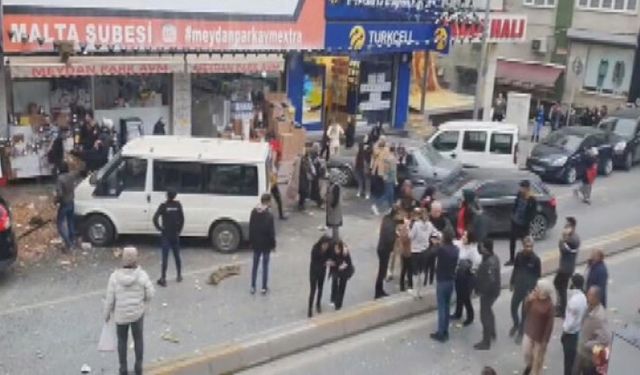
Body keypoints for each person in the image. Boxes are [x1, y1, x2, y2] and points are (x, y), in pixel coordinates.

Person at [104, 247, 154, 375]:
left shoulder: (114, 277)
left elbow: (109, 299)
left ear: (123, 259)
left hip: (121, 316)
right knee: (138, 339)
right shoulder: (142, 275)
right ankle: (138, 366)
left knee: (122, 340)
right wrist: (142, 300)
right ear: (136, 259)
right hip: (137, 314)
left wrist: (107, 314)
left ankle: (123, 368)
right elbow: (150, 293)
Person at [509, 236, 542, 343]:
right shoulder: (519, 256)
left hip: (528, 290)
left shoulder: (536, 260)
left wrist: (532, 291)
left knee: (525, 313)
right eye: (527, 246)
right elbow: (515, 269)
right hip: (519, 287)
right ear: (523, 246)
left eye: (531, 246)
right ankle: (516, 324)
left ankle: (521, 333)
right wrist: (512, 282)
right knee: (513, 307)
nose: (529, 248)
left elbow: (537, 276)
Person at [430, 227, 459, 343]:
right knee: (447, 306)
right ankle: (445, 330)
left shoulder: (441, 249)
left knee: (441, 307)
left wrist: (435, 244)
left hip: (442, 281)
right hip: (451, 280)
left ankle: (441, 333)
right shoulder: (455, 249)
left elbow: (432, 253)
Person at [521, 280, 555, 375]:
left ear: (543, 291)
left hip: (539, 337)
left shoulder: (549, 305)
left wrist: (545, 341)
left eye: (538, 288)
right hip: (529, 331)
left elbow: (549, 326)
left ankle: (535, 371)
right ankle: (529, 365)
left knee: (537, 360)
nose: (535, 289)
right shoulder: (533, 298)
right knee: (526, 353)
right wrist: (528, 299)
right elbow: (525, 310)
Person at [152, 189, 185, 287]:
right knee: (177, 255)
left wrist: (160, 228)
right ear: (175, 196)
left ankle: (163, 278)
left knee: (165, 257)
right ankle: (179, 275)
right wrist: (179, 230)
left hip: (166, 234)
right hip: (175, 234)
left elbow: (155, 218)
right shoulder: (178, 205)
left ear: (167, 195)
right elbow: (182, 219)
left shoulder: (163, 206)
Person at [575, 286, 611, 375]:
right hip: (580, 352)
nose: (587, 295)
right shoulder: (588, 307)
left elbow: (605, 339)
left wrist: (588, 344)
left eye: (590, 294)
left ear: (596, 298)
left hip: (589, 358)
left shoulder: (599, 317)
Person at [474, 239, 501, 350]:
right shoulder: (493, 258)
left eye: (482, 247)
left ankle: (486, 341)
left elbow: (490, 280)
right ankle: (492, 331)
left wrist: (482, 291)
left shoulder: (489, 263)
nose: (480, 249)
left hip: (488, 293)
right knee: (489, 311)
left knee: (484, 315)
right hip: (493, 291)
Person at [451, 230, 482, 326]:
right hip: (459, 275)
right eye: (463, 235)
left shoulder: (473, 249)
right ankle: (458, 313)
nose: (463, 237)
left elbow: (478, 261)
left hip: (468, 277)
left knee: (466, 297)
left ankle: (470, 317)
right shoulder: (460, 244)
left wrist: (471, 270)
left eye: (465, 236)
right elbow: (452, 242)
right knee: (459, 294)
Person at [249, 193, 276, 295]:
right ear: (268, 201)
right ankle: (263, 287)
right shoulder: (269, 215)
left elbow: (251, 228)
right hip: (266, 244)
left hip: (256, 243)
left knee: (255, 265)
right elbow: (271, 232)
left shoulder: (253, 212)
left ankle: (253, 286)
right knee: (265, 265)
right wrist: (273, 245)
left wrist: (251, 241)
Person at [506, 180, 537, 266]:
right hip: (515, 222)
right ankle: (512, 259)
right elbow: (515, 205)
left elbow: (533, 213)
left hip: (524, 225)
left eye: (522, 187)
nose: (520, 189)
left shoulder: (532, 199)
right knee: (512, 241)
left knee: (526, 243)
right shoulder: (519, 195)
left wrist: (527, 220)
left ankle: (527, 260)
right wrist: (513, 215)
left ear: (527, 189)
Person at [554, 217, 581, 317]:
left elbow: (562, 248)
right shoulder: (570, 237)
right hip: (565, 267)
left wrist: (563, 238)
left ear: (573, 227)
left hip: (566, 268)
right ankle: (560, 305)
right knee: (558, 285)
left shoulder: (573, 239)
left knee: (561, 287)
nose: (565, 227)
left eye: (567, 226)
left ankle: (562, 309)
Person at [561, 274, 588, 375]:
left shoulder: (574, 301)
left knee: (568, 363)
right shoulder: (583, 297)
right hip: (578, 332)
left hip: (571, 334)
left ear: (573, 283)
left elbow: (570, 322)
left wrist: (565, 329)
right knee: (574, 362)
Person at [406, 208, 435, 298]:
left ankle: (415, 292)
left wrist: (407, 227)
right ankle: (420, 291)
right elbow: (433, 233)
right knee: (422, 271)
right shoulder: (430, 225)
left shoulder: (416, 225)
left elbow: (410, 236)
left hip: (415, 251)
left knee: (415, 272)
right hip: (425, 250)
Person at [375, 205, 399, 299]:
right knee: (382, 271)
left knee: (382, 271)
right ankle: (378, 292)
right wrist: (396, 236)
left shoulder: (387, 219)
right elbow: (389, 238)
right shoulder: (391, 225)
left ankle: (380, 290)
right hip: (384, 250)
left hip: (381, 248)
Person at [308, 236, 333, 318]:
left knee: (320, 288)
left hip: (322, 272)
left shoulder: (328, 249)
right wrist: (325, 262)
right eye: (324, 245)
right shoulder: (315, 249)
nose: (326, 247)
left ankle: (318, 304)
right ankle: (310, 308)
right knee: (313, 290)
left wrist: (329, 261)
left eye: (327, 245)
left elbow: (330, 256)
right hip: (314, 272)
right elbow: (315, 262)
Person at [371, 139, 397, 216]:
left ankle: (391, 208)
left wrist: (395, 179)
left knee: (391, 194)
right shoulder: (390, 159)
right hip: (388, 179)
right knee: (387, 194)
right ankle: (376, 206)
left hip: (390, 178)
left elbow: (393, 170)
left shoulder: (391, 158)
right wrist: (387, 176)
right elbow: (388, 169)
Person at [54, 162, 76, 252]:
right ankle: (72, 240)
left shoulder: (60, 179)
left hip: (64, 203)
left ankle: (68, 244)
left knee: (60, 224)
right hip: (71, 201)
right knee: (70, 221)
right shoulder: (71, 176)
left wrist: (56, 201)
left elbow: (60, 194)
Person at [329, 240, 354, 310]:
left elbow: (349, 263)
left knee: (342, 287)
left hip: (345, 271)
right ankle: (333, 298)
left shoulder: (345, 252)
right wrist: (336, 265)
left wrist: (344, 265)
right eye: (335, 248)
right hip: (336, 269)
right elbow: (330, 262)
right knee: (334, 281)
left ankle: (338, 305)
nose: (336, 250)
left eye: (338, 249)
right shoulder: (332, 252)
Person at [325, 175, 343, 240]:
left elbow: (335, 199)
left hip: (335, 209)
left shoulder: (336, 187)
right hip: (333, 209)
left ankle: (335, 239)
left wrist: (332, 207)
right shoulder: (332, 186)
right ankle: (334, 238)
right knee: (333, 225)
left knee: (335, 225)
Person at [309, 143, 326, 208]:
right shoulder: (314, 155)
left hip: (316, 174)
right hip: (315, 174)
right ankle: (319, 202)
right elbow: (313, 163)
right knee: (316, 188)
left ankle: (317, 200)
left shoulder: (314, 155)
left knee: (315, 188)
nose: (319, 149)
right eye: (318, 148)